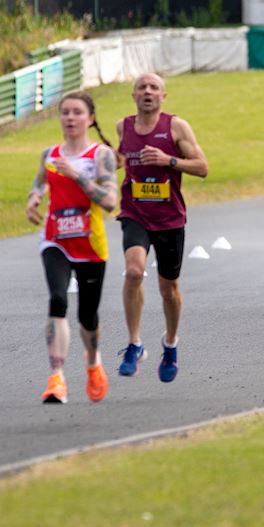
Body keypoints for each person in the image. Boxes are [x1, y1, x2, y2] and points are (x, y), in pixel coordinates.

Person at [114, 73, 209, 384]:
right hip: (134, 213)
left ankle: (170, 344)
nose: (147, 92)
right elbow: (118, 157)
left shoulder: (175, 127)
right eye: (142, 87)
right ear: (133, 95)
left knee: (168, 289)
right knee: (132, 271)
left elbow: (202, 167)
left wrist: (168, 160)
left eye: (154, 87)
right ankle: (135, 344)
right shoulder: (123, 126)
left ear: (163, 95)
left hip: (169, 218)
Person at [26, 91, 118, 405]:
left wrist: (78, 176)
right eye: (65, 112)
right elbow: (40, 181)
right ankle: (57, 378)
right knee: (57, 299)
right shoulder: (50, 154)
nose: (70, 118)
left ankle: (92, 362)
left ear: (90, 119)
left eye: (77, 112)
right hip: (55, 241)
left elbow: (109, 201)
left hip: (90, 243)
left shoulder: (100, 155)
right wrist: (34, 198)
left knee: (87, 316)